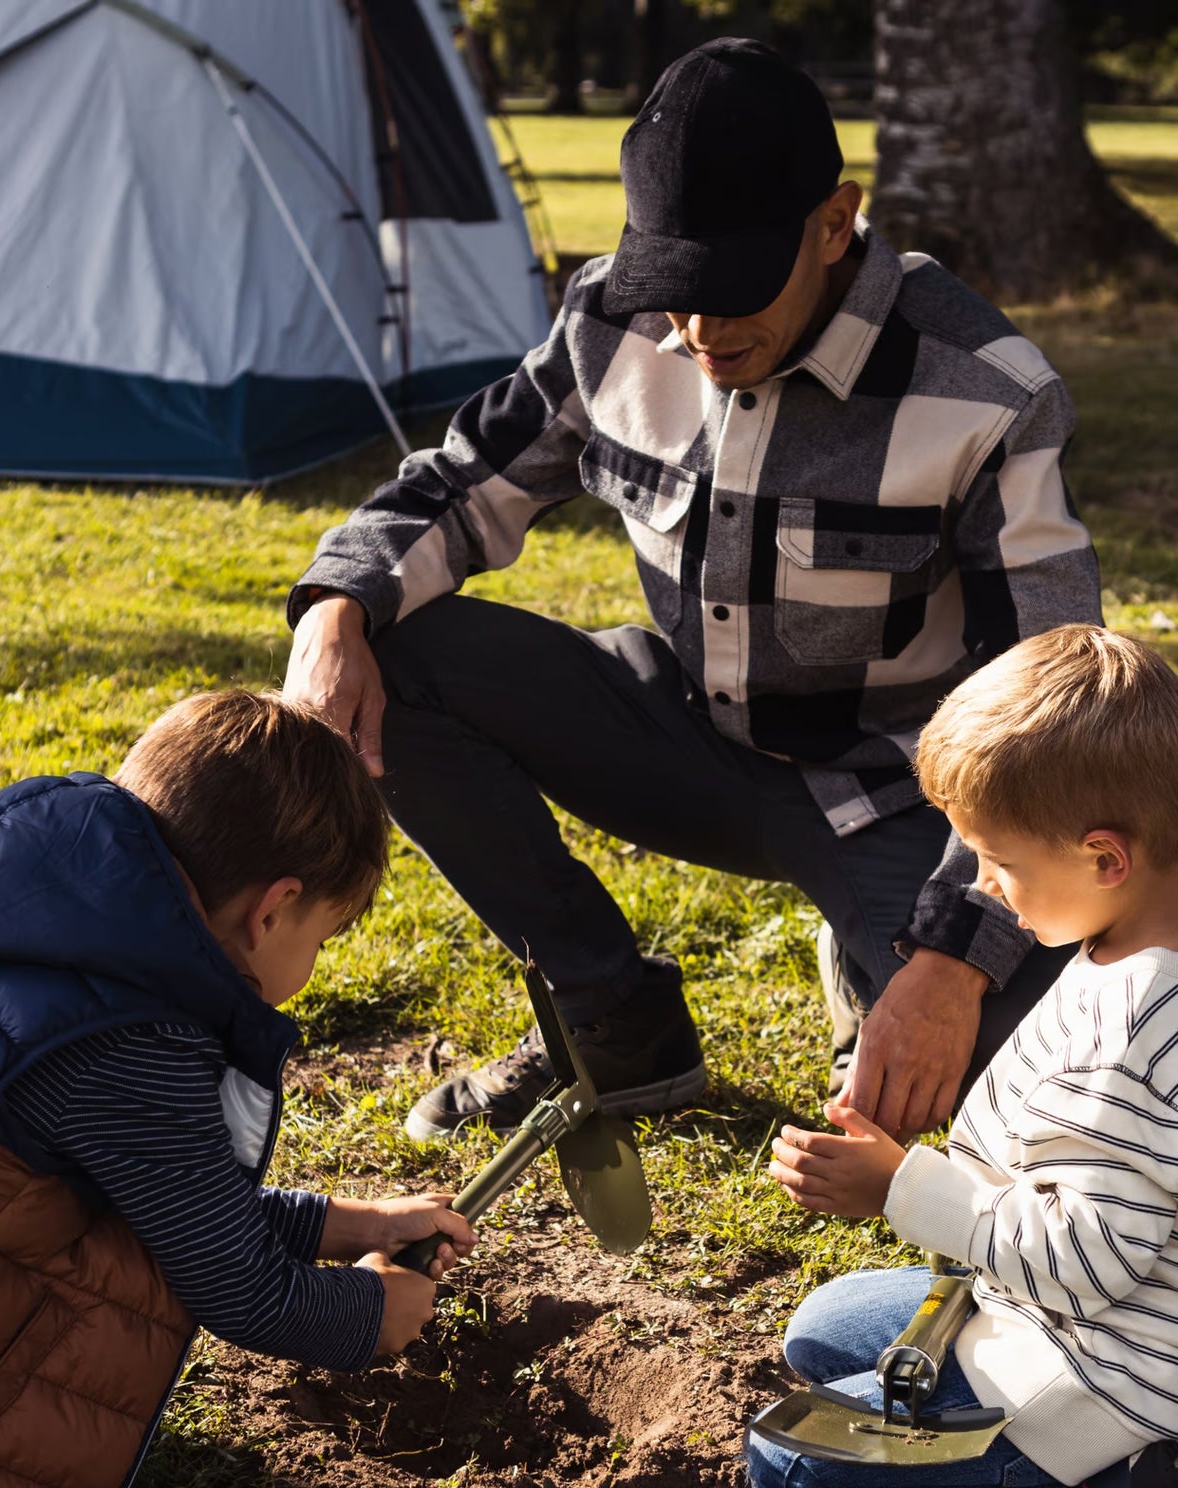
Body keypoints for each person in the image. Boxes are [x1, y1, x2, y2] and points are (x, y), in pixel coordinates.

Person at [282, 37, 1101, 1148]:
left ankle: (873, 952)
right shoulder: (613, 320)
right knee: (400, 646)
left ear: (833, 222)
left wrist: (953, 962)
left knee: (996, 1108)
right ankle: (612, 1020)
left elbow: (1050, 711)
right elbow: (457, 489)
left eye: (726, 290)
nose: (696, 333)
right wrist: (333, 613)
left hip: (895, 794)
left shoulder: (987, 392)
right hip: (676, 734)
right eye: (671, 288)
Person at [0, 691, 473, 1488]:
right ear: (274, 910)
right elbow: (239, 1287)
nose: (315, 961)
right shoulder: (126, 1041)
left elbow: (166, 1193)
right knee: (125, 1277)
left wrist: (351, 1223)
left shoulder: (56, 932)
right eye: (322, 939)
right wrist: (370, 1313)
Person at [750, 626, 1178, 1488]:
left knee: (790, 1464)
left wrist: (899, 1185)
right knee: (825, 1328)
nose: (984, 887)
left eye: (1000, 863)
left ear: (1106, 858)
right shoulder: (1128, 928)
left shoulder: (1141, 1034)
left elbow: (1094, 1262)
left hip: (1107, 1373)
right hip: (1047, 1304)